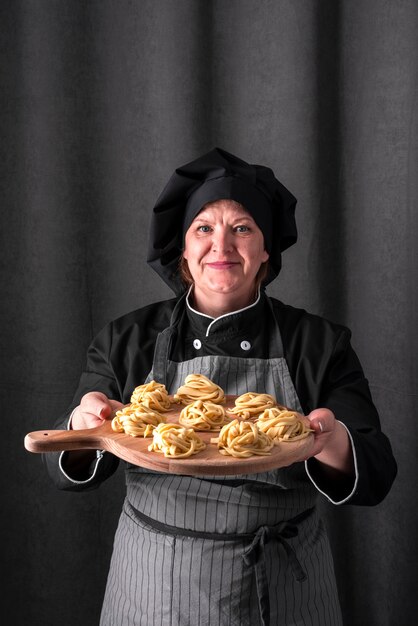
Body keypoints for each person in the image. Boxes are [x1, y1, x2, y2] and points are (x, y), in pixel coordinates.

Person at [44, 147, 397, 626]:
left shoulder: (317, 343)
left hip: (285, 583)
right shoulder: (125, 340)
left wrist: (332, 441)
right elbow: (64, 468)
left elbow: (376, 473)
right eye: (204, 228)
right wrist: (85, 424)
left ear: (266, 248)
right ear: (183, 249)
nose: (222, 247)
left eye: (243, 228)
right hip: (156, 585)